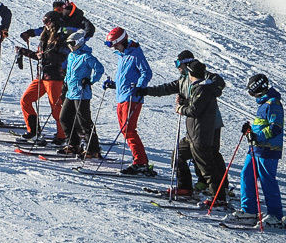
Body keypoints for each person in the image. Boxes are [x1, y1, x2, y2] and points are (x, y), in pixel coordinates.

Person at [140, 53, 229, 205]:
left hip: (209, 124)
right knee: (180, 155)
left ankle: (220, 191)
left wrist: (188, 103)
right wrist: (145, 91)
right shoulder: (183, 80)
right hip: (193, 128)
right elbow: (165, 88)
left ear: (187, 64)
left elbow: (215, 87)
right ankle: (185, 187)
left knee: (209, 157)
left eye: (178, 63)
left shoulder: (203, 78)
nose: (177, 67)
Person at [15, 0, 93, 143]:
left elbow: (55, 58)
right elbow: (41, 57)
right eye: (44, 22)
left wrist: (41, 55)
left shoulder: (61, 38)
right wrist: (24, 51)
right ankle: (33, 130)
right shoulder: (46, 36)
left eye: (47, 22)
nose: (45, 25)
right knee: (25, 100)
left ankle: (63, 135)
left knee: (57, 109)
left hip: (55, 78)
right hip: (42, 76)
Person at [230, 73, 286, 227]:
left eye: (251, 92)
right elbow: (262, 125)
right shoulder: (264, 103)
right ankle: (249, 211)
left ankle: (275, 215)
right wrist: (250, 130)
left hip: (268, 149)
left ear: (257, 89)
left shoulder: (273, 103)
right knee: (246, 175)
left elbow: (276, 127)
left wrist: (257, 136)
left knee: (267, 180)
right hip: (256, 148)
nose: (251, 95)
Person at [104, 26, 155, 175]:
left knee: (129, 130)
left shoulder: (135, 54)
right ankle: (140, 160)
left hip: (132, 97)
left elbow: (147, 72)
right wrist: (114, 84)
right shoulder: (123, 55)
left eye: (114, 44)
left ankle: (140, 162)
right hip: (122, 97)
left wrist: (139, 86)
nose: (114, 48)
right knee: (124, 130)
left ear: (122, 41)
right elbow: (126, 77)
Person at [55, 32, 106, 156]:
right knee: (64, 117)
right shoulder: (72, 56)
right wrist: (66, 83)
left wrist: (91, 80)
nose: (70, 46)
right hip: (71, 92)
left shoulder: (86, 57)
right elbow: (69, 71)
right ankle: (73, 145)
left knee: (84, 121)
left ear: (79, 42)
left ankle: (93, 149)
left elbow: (100, 69)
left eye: (72, 43)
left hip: (82, 93)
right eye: (68, 44)